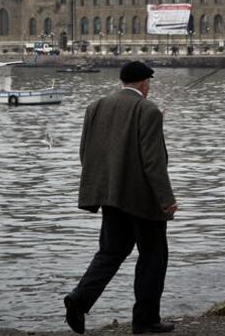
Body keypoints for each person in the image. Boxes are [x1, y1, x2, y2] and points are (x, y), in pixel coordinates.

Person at [64, 61, 177, 335]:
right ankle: (146, 321)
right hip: (142, 199)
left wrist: (102, 188)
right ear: (143, 83)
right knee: (153, 256)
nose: (150, 87)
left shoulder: (96, 106)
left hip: (109, 196)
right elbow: (153, 162)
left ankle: (79, 299)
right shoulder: (148, 110)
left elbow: (86, 153)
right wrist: (166, 198)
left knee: (111, 252)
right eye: (149, 83)